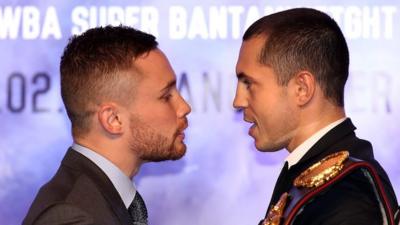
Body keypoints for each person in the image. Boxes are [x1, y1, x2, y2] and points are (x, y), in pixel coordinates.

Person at [233, 8, 399, 225]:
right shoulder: (318, 178)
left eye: (249, 83)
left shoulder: (347, 195)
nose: (238, 101)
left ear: (302, 89)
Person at [23, 25, 191, 225]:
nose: (184, 107)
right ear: (113, 120)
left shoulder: (97, 198)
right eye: (166, 96)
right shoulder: (72, 217)